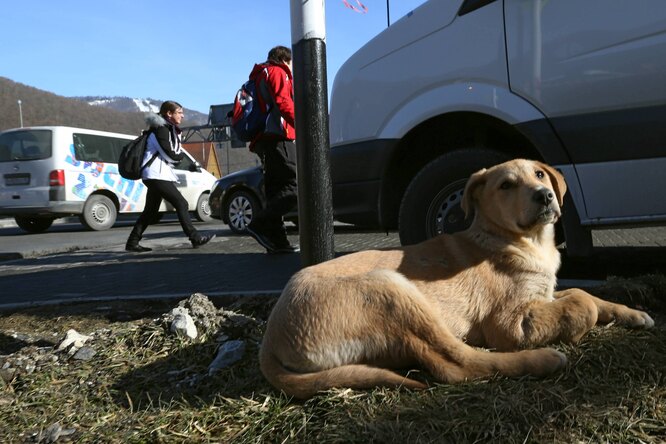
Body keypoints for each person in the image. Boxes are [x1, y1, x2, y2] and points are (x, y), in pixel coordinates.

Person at [125, 100, 215, 252]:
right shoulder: (161, 129)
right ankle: (195, 238)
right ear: (169, 113)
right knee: (182, 203)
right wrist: (179, 157)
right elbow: (170, 154)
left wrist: (177, 149)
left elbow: (172, 151)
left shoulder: (168, 129)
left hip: (157, 175)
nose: (182, 115)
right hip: (155, 175)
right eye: (179, 112)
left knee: (150, 211)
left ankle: (132, 242)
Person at [245, 45, 299, 254]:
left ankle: (277, 242)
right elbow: (283, 101)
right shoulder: (278, 71)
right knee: (295, 185)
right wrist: (301, 123)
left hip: (264, 139)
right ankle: (259, 223)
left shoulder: (260, 75)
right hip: (278, 137)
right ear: (286, 60)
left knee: (276, 189)